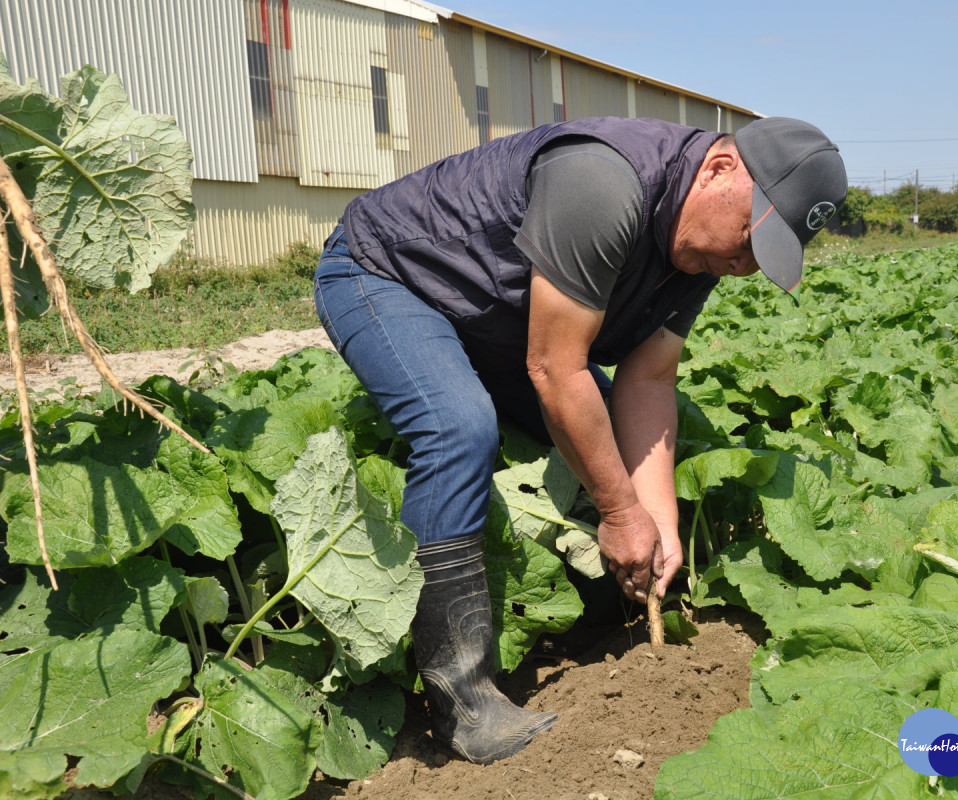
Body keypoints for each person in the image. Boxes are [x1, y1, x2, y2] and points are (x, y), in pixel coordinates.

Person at [313, 115, 847, 764]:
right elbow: (555, 369)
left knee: (606, 457)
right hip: (389, 276)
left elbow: (647, 381)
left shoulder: (701, 248)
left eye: (761, 257)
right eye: (748, 238)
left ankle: (599, 621)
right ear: (720, 169)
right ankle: (463, 703)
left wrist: (658, 521)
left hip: (510, 325)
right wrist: (620, 512)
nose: (741, 263)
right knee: (459, 429)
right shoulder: (602, 181)